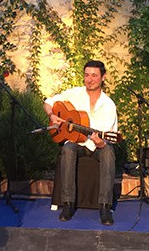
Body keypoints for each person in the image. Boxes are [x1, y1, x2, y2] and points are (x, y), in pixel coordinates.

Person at [43, 60, 118, 226]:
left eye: (94, 75)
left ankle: (104, 206)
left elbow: (105, 139)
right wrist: (51, 115)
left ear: (103, 77)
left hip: (98, 146)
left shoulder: (109, 105)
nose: (89, 79)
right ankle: (68, 203)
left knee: (108, 152)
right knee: (68, 148)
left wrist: (100, 143)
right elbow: (48, 102)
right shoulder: (74, 94)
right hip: (78, 144)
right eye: (87, 75)